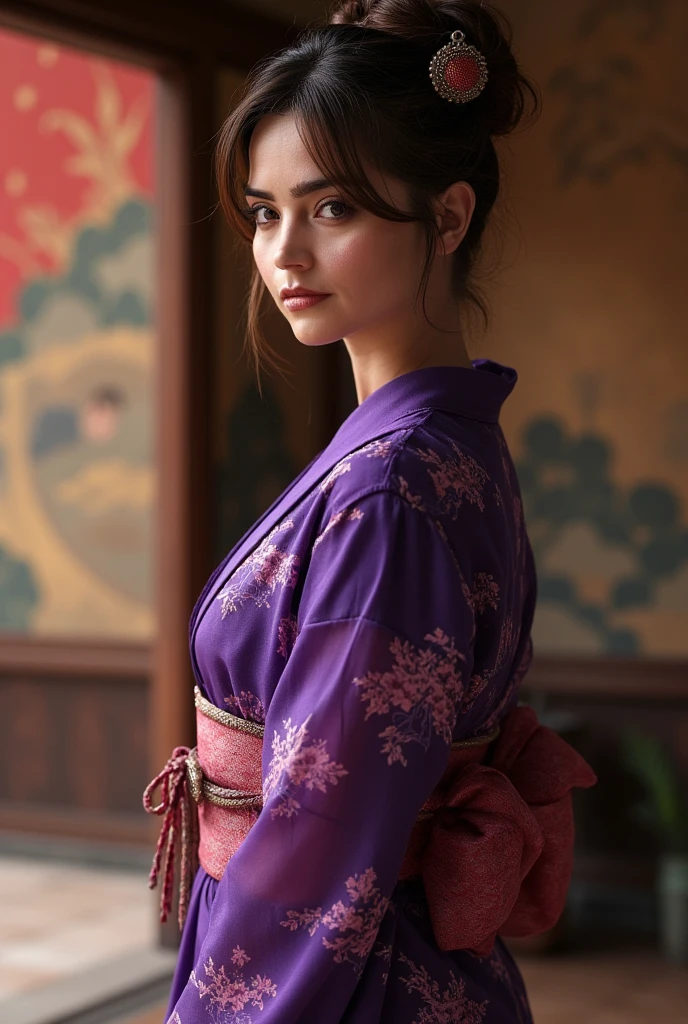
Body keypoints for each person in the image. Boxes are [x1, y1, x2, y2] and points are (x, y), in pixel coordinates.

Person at [146, 3, 597, 1021]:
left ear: (447, 216)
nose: (284, 251)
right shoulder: (441, 442)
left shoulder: (389, 489)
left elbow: (325, 828)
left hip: (348, 974)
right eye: (264, 211)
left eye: (333, 207)